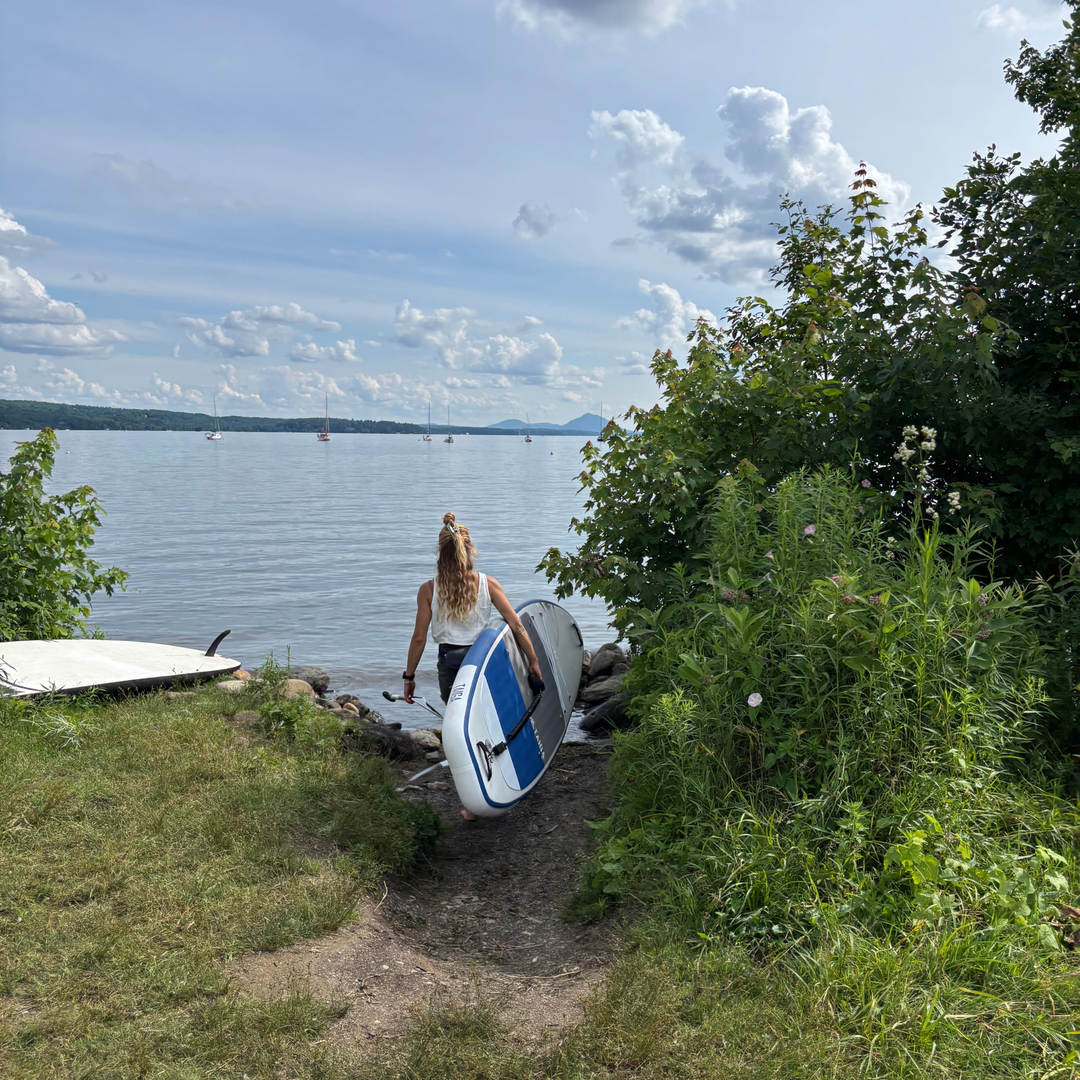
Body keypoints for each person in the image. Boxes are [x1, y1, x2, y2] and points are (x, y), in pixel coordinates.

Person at [403, 512, 543, 820]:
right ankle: (502, 782)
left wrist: (409, 676)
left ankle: (472, 799)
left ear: (441, 553)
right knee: (490, 721)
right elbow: (516, 626)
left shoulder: (428, 590)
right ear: (471, 550)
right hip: (482, 662)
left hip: (451, 665)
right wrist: (532, 661)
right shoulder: (487, 584)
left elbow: (418, 639)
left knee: (461, 729)